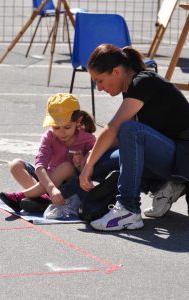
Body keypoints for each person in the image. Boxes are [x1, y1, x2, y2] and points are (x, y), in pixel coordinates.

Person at [79, 43, 189, 231]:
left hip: (183, 157)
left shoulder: (143, 81)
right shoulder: (129, 88)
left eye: (99, 80)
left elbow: (115, 128)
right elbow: (116, 139)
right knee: (97, 159)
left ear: (116, 72)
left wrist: (88, 164)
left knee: (131, 130)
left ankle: (128, 209)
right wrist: (88, 160)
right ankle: (162, 186)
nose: (98, 88)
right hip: (169, 156)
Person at [0, 93, 96, 212]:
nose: (62, 133)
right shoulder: (49, 136)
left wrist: (80, 165)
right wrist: (51, 188)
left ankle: (21, 196)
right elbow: (40, 165)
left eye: (67, 127)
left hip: (69, 186)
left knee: (67, 167)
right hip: (49, 183)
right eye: (56, 127)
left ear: (78, 121)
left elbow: (92, 170)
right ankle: (42, 199)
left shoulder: (88, 138)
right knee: (15, 164)